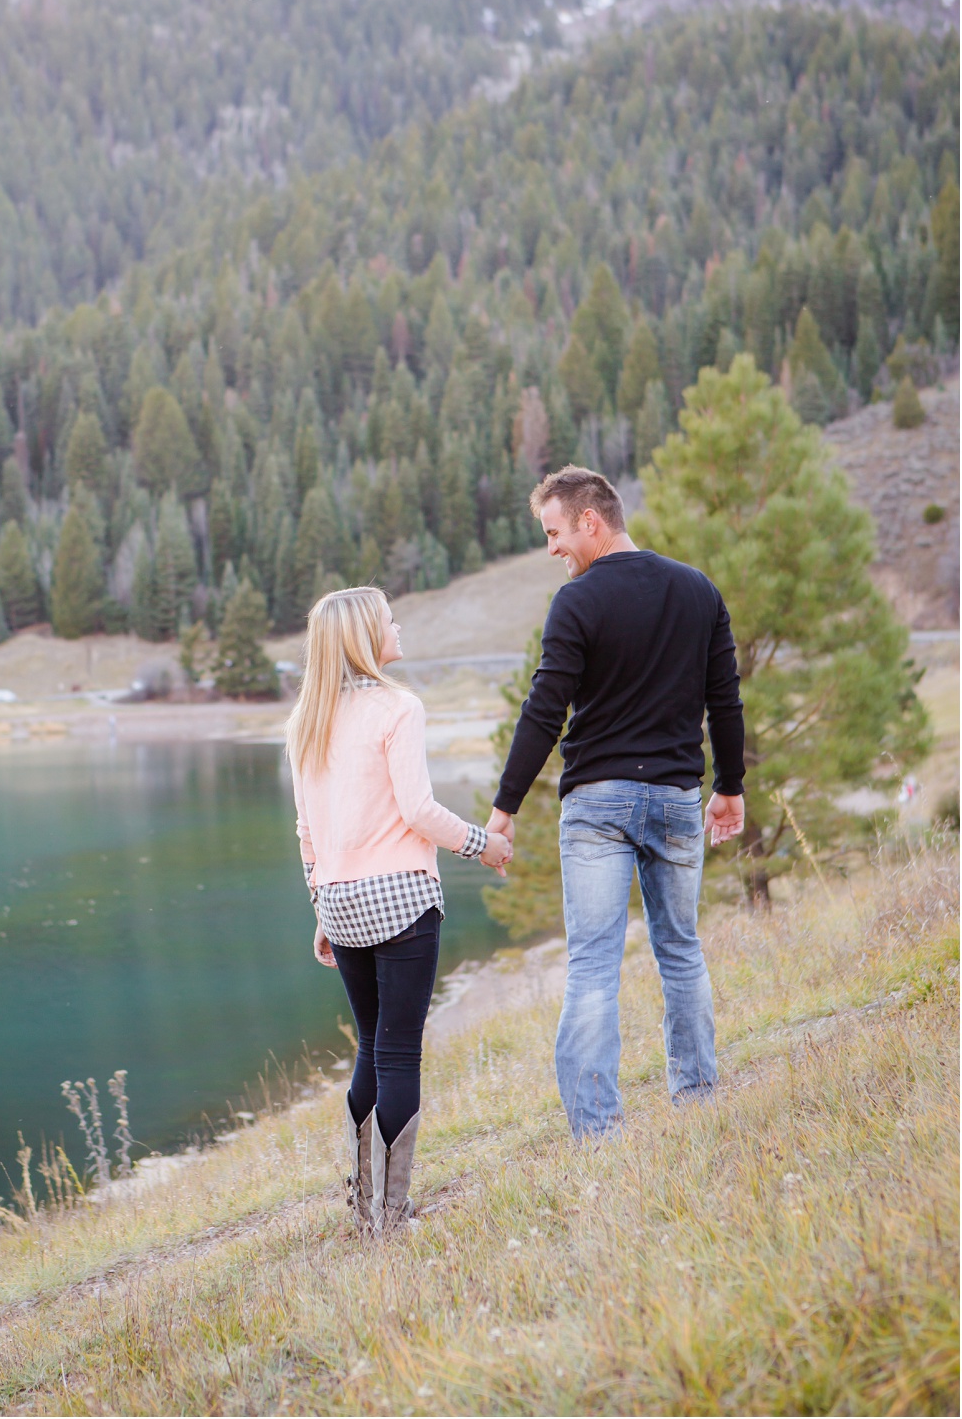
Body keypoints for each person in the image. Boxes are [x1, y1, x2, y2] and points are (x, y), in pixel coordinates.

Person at [487, 465, 745, 1139]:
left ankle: (599, 1135)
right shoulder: (699, 590)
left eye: (554, 532)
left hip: (598, 803)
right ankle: (699, 1099)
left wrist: (505, 807)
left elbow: (544, 711)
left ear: (590, 521)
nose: (551, 549)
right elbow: (725, 701)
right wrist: (730, 786)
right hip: (675, 799)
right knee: (681, 951)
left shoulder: (577, 602)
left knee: (594, 965)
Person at [287, 585, 513, 1233]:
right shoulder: (398, 707)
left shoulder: (306, 719)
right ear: (366, 635)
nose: (399, 625)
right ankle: (392, 1214)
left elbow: (307, 833)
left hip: (340, 902)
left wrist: (322, 911)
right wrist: (485, 844)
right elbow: (417, 810)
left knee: (371, 1046)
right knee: (399, 1054)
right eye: (390, 619)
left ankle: (365, 1208)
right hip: (402, 899)